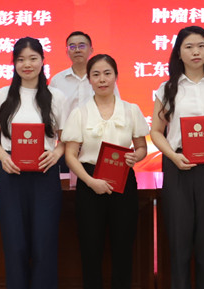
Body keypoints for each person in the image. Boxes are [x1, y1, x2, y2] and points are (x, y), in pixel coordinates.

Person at [149, 26, 204, 289]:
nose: (195, 51)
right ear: (179, 53)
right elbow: (156, 131)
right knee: (179, 245)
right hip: (178, 168)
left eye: (201, 45)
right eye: (188, 47)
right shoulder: (167, 88)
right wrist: (172, 157)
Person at [0, 37, 68, 289]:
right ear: (14, 63)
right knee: (15, 244)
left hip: (45, 175)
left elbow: (66, 140)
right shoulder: (2, 95)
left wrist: (56, 154)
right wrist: (3, 157)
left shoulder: (56, 97)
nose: (27, 64)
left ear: (43, 61)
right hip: (12, 175)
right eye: (20, 59)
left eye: (33, 58)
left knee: (44, 244)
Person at [62, 54, 149, 289]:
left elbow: (141, 147)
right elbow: (71, 155)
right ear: (89, 79)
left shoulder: (130, 110)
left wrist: (136, 156)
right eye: (96, 74)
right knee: (90, 248)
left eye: (107, 73)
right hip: (89, 181)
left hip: (123, 180)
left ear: (116, 77)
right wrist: (91, 182)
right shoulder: (80, 113)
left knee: (124, 246)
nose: (102, 79)